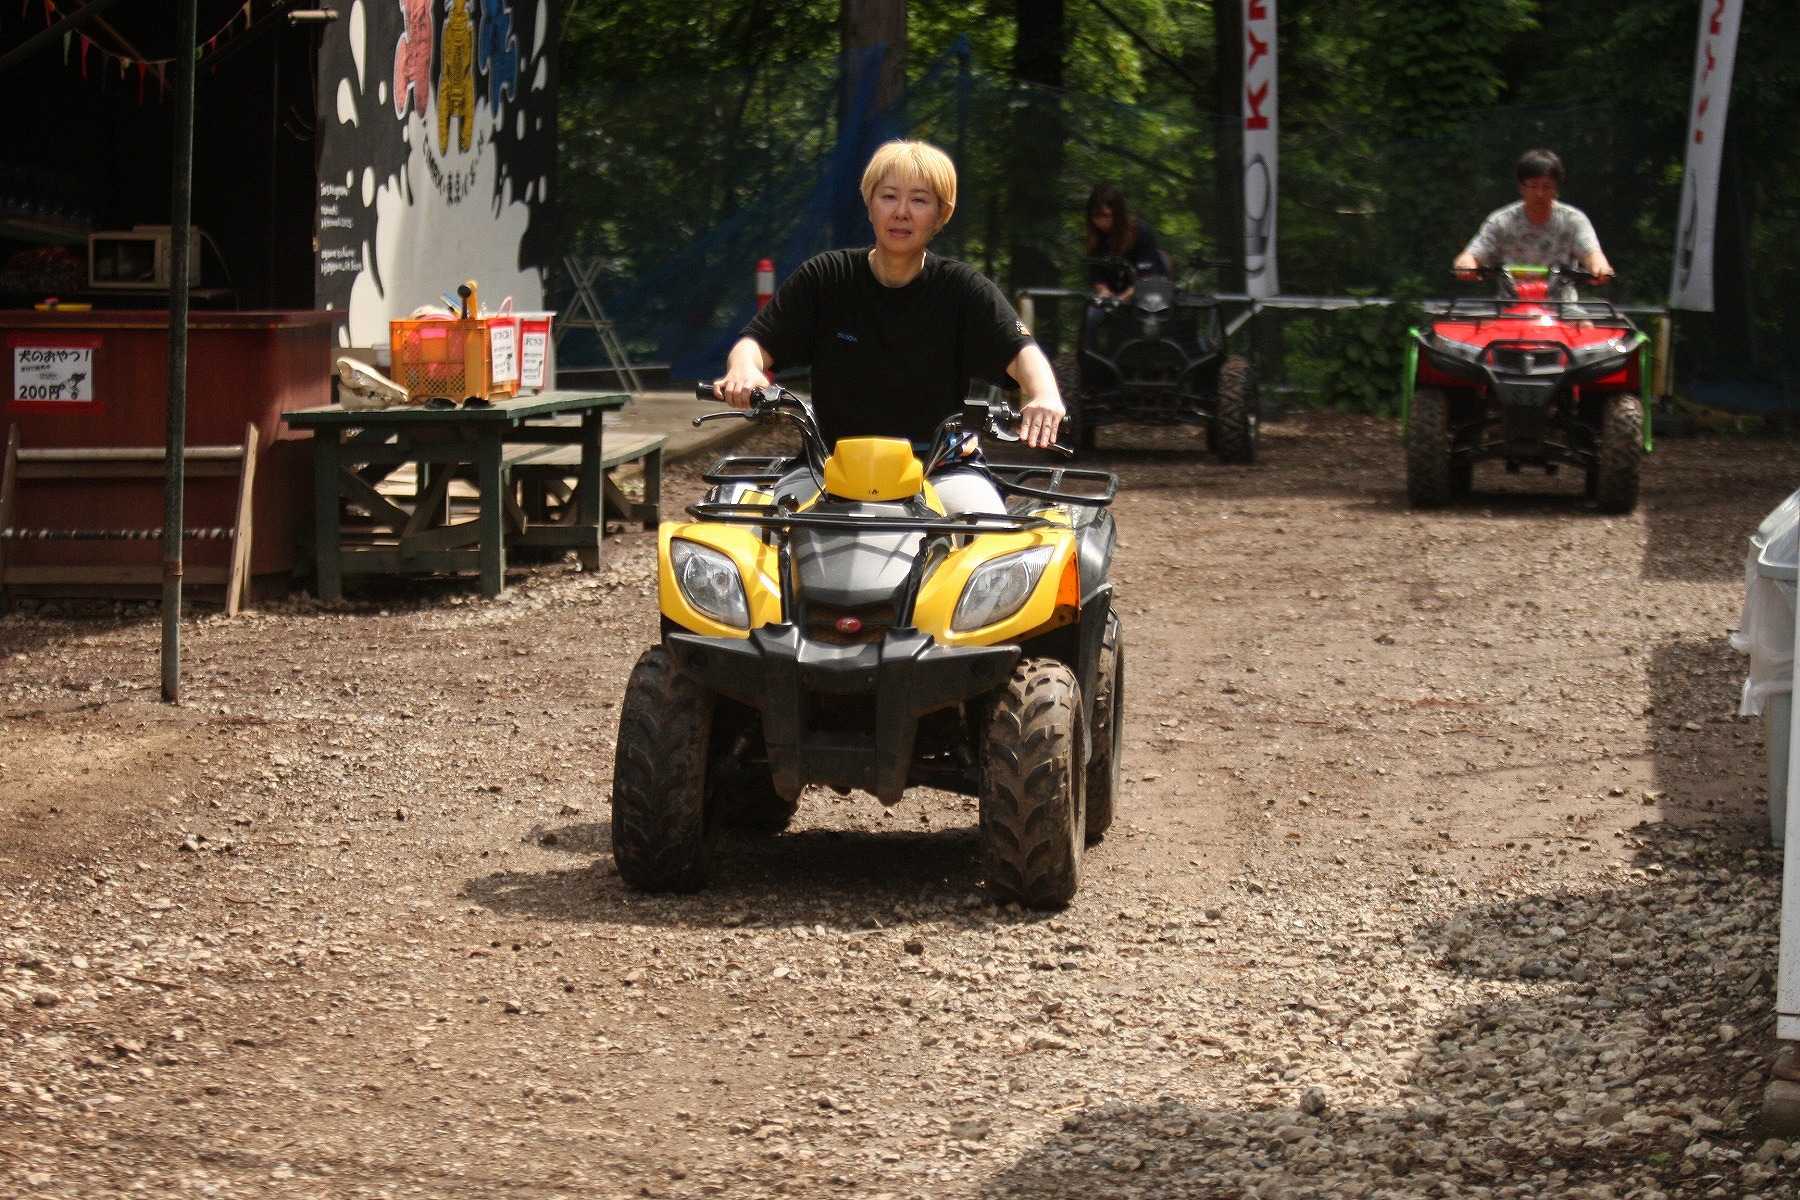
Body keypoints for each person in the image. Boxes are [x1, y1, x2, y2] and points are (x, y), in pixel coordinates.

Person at [714, 140, 1064, 512]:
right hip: (829, 466)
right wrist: (743, 370)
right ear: (869, 205)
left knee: (987, 533)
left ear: (941, 214)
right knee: (766, 532)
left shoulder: (962, 288)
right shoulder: (826, 278)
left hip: (941, 468)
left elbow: (1021, 350)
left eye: (919, 200)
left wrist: (1044, 394)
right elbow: (755, 343)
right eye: (889, 196)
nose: (901, 212)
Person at [1452, 149, 1614, 299]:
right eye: (1533, 186)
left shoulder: (1573, 220)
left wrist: (1600, 269)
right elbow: (1473, 254)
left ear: (1556, 188)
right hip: (1509, 308)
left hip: (1561, 308)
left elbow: (1592, 254)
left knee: (1590, 322)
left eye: (1547, 186)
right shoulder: (1501, 221)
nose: (1540, 194)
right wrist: (1466, 266)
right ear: (1521, 187)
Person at [1083, 184, 1169, 300]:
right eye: (1096, 216)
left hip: (1147, 299)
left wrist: (1123, 298)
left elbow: (1148, 275)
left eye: (1107, 216)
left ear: (1119, 214)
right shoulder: (1096, 241)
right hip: (1111, 300)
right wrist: (1102, 289)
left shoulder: (1141, 233)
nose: (1102, 222)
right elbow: (1095, 276)